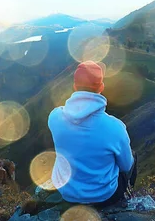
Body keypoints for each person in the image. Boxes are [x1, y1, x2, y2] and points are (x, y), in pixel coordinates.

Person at [48, 61, 137, 207]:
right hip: (104, 196)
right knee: (132, 156)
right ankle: (128, 198)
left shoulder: (55, 117)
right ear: (101, 87)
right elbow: (126, 166)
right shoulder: (116, 128)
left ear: (75, 86)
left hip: (67, 192)